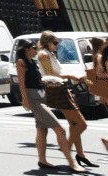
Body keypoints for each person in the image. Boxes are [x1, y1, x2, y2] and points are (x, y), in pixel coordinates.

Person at [15, 40, 79, 173]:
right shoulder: (21, 62)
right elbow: (21, 83)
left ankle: (42, 160)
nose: (36, 50)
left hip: (41, 96)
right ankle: (72, 163)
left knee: (42, 130)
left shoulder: (32, 62)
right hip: (33, 98)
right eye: (33, 47)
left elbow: (37, 79)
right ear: (26, 49)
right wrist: (25, 100)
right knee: (60, 129)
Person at [38, 32, 95, 168]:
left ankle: (80, 154)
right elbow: (50, 75)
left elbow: (56, 73)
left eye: (58, 43)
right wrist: (70, 76)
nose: (58, 46)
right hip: (56, 90)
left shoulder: (50, 53)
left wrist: (70, 78)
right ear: (47, 42)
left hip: (62, 88)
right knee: (81, 124)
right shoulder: (43, 55)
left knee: (74, 124)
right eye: (55, 43)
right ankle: (67, 148)